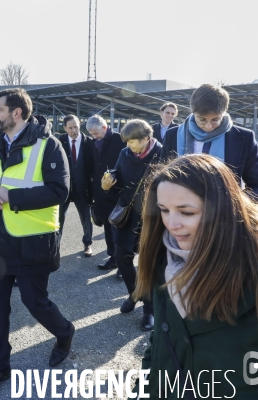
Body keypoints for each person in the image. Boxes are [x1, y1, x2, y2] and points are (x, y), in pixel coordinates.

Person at [135, 154, 258, 398]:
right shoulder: (163, 258)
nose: (171, 224)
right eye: (164, 210)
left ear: (223, 211)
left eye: (186, 212)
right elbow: (161, 341)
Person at [0, 88, 75, 396]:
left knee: (35, 302)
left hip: (32, 240)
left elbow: (60, 191)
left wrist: (11, 196)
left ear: (16, 113)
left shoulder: (49, 145)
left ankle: (64, 332)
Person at [101, 119, 162, 331]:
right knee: (121, 257)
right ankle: (134, 294)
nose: (128, 146)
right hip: (127, 214)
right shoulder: (125, 153)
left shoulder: (162, 153)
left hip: (152, 218)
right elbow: (117, 175)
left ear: (147, 139)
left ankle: (149, 309)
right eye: (126, 142)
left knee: (149, 264)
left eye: (132, 142)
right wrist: (107, 184)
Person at [161, 83, 258, 202]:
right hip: (180, 215)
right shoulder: (173, 135)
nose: (208, 126)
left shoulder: (244, 137)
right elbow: (161, 178)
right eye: (202, 120)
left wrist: (236, 204)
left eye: (215, 120)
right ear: (193, 112)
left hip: (227, 217)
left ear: (223, 113)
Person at [86, 115, 125, 275]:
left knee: (120, 227)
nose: (94, 137)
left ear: (104, 127)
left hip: (118, 190)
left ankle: (123, 263)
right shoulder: (94, 142)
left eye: (96, 133)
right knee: (108, 226)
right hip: (102, 191)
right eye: (92, 134)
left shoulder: (119, 139)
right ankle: (112, 257)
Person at [57, 114, 94, 256]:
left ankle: (87, 244)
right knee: (58, 217)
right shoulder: (59, 142)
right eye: (70, 128)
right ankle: (55, 245)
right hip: (63, 188)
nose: (74, 130)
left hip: (83, 188)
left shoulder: (89, 143)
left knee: (86, 218)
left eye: (76, 127)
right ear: (65, 128)